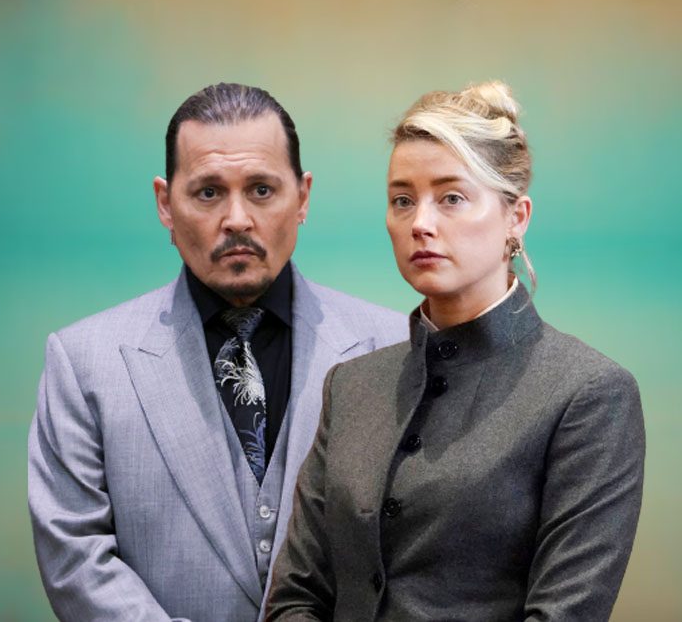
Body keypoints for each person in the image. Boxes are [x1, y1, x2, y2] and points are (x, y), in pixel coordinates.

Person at [266, 81, 646, 622]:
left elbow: (564, 612)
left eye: (451, 198)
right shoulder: (352, 386)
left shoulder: (587, 394)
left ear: (516, 217)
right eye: (402, 200)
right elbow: (296, 598)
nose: (421, 223)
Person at [27, 83, 407, 622]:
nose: (237, 219)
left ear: (302, 198)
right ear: (165, 203)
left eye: (261, 190)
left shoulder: (393, 346)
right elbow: (76, 558)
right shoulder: (84, 362)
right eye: (208, 192)